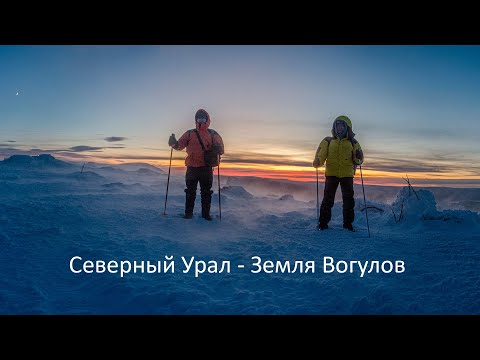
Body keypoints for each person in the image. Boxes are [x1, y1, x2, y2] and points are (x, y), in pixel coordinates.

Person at [168, 109, 224, 221]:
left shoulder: (213, 134)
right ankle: (189, 214)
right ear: (195, 119)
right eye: (199, 118)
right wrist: (174, 143)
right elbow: (180, 145)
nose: (201, 120)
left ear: (207, 120)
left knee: (206, 193)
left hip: (206, 168)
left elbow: (221, 149)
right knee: (190, 192)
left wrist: (218, 148)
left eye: (203, 118)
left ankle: (205, 215)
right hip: (192, 168)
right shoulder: (190, 133)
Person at [313, 115, 364, 231]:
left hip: (347, 175)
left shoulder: (353, 142)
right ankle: (323, 223)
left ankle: (348, 224)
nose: (339, 128)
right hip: (331, 174)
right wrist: (318, 161)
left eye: (342, 126)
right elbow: (321, 154)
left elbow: (359, 160)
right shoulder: (328, 141)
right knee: (328, 200)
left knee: (348, 201)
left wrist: (359, 157)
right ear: (334, 127)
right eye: (337, 126)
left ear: (347, 128)